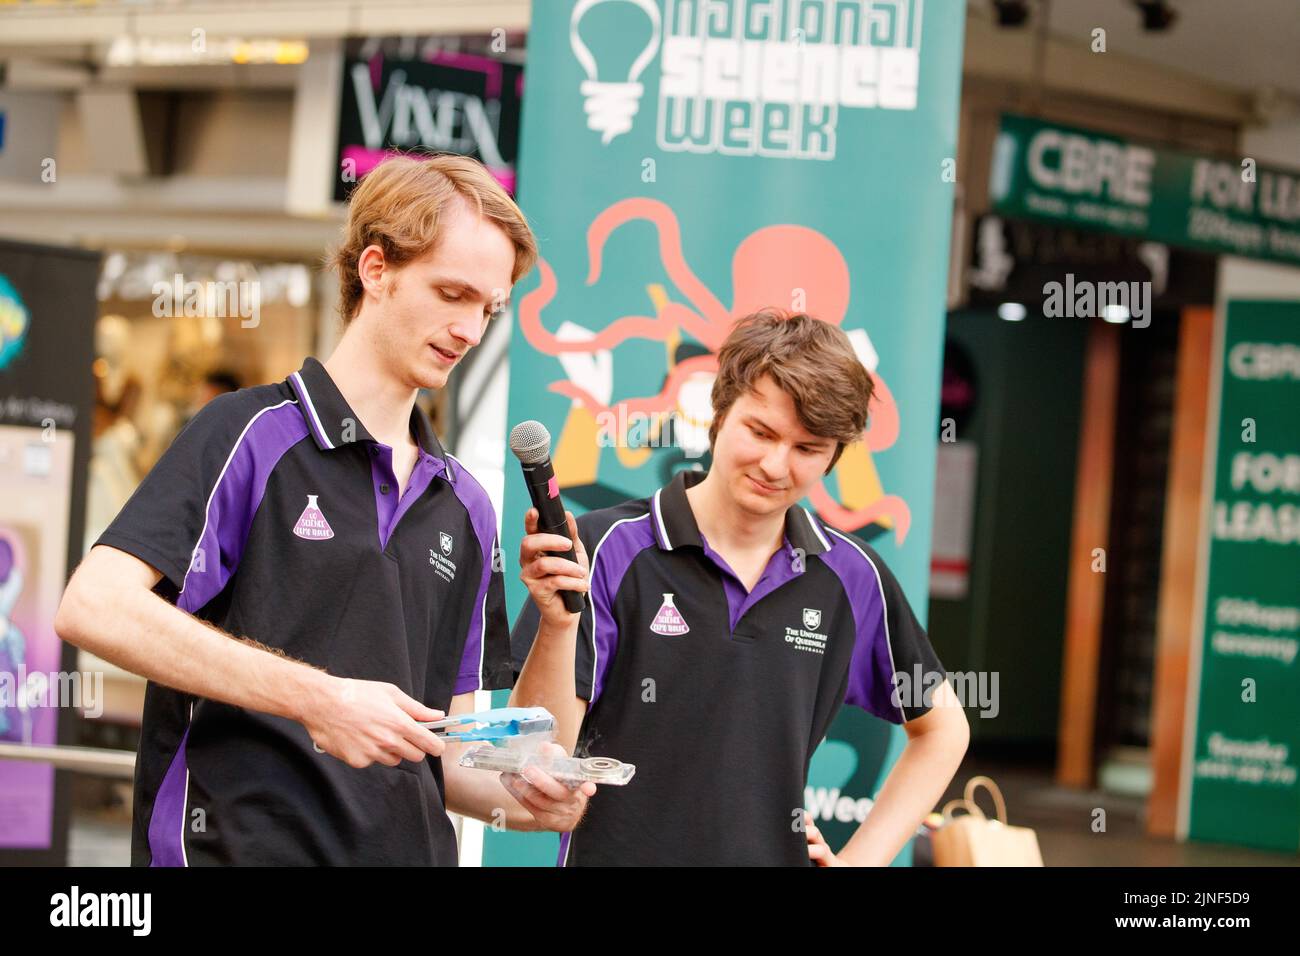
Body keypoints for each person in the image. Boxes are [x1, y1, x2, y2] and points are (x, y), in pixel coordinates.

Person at [55, 155, 592, 866]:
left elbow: (446, 753)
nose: (468, 329)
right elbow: (93, 606)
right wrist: (318, 699)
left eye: (487, 308)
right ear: (376, 269)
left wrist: (528, 800)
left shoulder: (465, 504)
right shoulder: (250, 434)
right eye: (451, 293)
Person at [511, 310, 970, 866]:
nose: (776, 465)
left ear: (834, 456)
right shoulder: (606, 546)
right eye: (762, 432)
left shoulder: (852, 575)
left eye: (807, 449)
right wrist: (559, 626)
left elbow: (943, 730)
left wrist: (861, 860)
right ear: (720, 413)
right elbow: (540, 748)